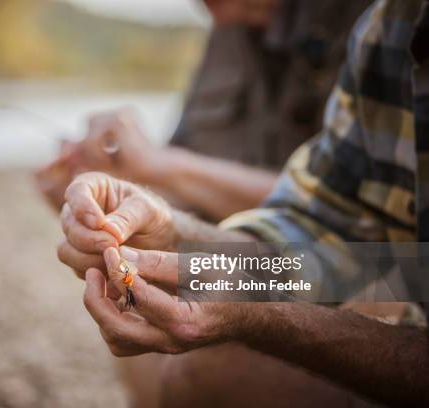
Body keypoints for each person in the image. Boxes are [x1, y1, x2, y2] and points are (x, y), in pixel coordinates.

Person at [57, 0, 429, 406]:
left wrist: (254, 313)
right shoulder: (388, 26)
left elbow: (373, 259)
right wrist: (164, 229)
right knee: (201, 369)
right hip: (282, 253)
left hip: (389, 285)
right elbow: (327, 231)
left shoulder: (357, 17)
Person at [36, 0, 372, 222]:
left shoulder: (378, 22)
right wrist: (107, 191)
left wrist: (163, 165)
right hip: (254, 271)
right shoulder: (226, 26)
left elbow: (354, 221)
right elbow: (180, 190)